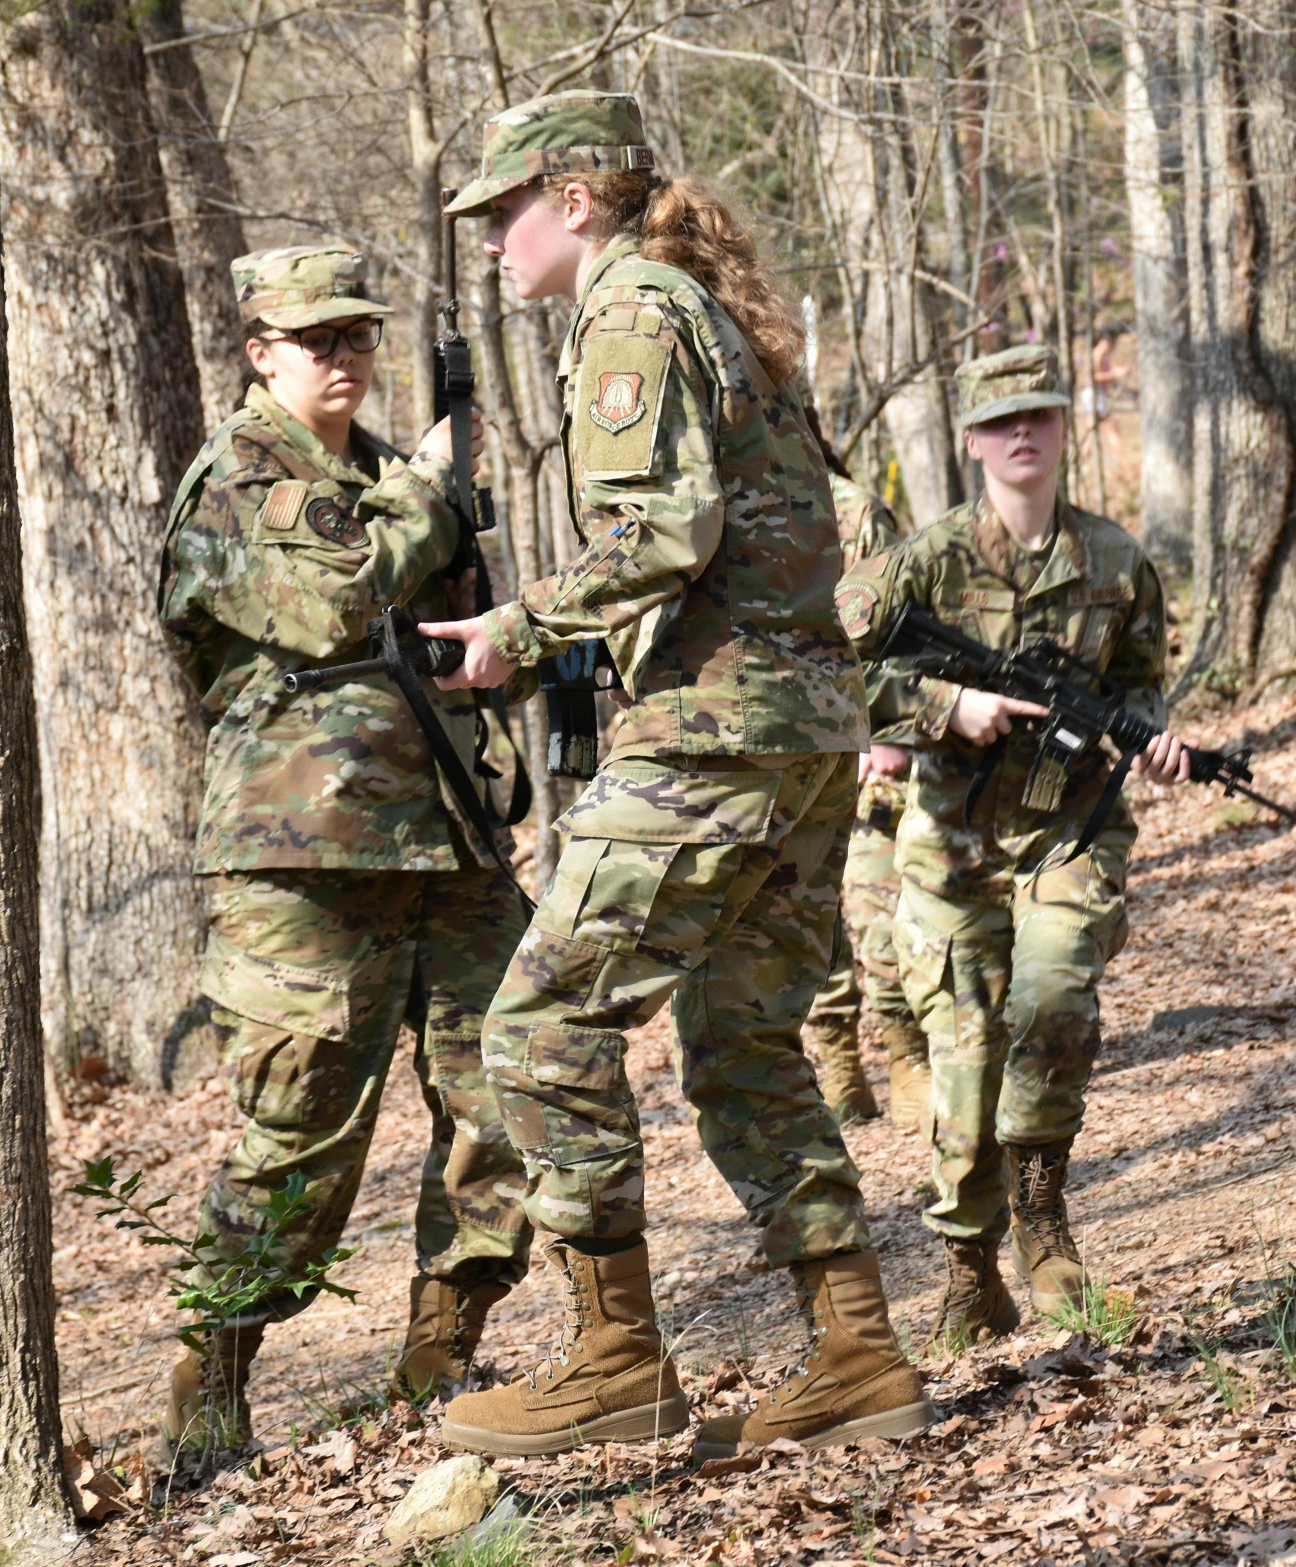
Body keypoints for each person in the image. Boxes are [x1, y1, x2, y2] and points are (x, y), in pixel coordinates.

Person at [416, 91, 930, 1460]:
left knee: (533, 1027)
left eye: (501, 212)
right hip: (806, 733)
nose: (486, 243)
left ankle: (614, 1356)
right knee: (745, 1044)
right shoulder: (699, 304)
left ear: (572, 200)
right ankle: (859, 1354)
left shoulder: (631, 309)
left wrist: (517, 632)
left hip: (720, 728)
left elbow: (662, 527)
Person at [153, 245, 534, 1464]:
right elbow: (328, 603)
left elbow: (441, 629)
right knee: (303, 1140)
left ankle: (441, 1364)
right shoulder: (241, 478)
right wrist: (431, 492)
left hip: (447, 841)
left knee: (509, 1093)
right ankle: (208, 1392)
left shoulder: (382, 471)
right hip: (301, 858)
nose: (345, 357)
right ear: (259, 349)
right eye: (317, 339)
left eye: (359, 336)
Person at [835, 344, 1190, 1346]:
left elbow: (1138, 681)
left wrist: (1152, 734)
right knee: (964, 1055)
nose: (1021, 433)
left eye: (1038, 413)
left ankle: (1043, 1225)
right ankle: (966, 1271)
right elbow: (826, 669)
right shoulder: (924, 562)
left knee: (1051, 998)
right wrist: (949, 703)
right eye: (1000, 421)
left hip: (1069, 833)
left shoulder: (1115, 560)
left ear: (1064, 425)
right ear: (971, 441)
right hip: (949, 846)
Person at [798, 440, 934, 1133]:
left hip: (861, 748)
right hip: (780, 751)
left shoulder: (850, 511)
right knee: (808, 915)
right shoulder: (717, 515)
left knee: (876, 901)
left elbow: (895, 632)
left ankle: (907, 1052)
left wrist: (885, 730)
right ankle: (839, 1063)